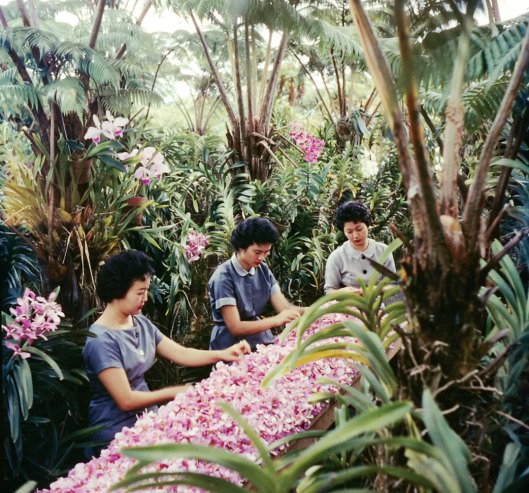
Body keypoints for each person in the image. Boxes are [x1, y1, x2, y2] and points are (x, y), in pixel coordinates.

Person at [83, 250, 250, 453]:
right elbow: (126, 400)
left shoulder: (140, 321)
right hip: (114, 429)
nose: (145, 297)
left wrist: (224, 353)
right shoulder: (100, 340)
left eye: (146, 290)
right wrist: (173, 392)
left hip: (147, 417)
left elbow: (182, 353)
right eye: (139, 292)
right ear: (117, 290)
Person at [208, 217, 305, 351]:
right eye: (257, 252)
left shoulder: (263, 269)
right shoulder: (223, 277)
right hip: (231, 347)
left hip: (260, 342)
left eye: (266, 253)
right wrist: (276, 320)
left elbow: (284, 307)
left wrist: (319, 310)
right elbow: (235, 327)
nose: (262, 258)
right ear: (241, 247)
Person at [324, 201, 396, 294]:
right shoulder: (336, 257)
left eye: (359, 229)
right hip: (348, 306)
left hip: (379, 304)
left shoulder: (383, 251)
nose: (355, 236)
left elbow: (393, 285)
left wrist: (376, 290)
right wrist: (343, 292)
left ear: (367, 225)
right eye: (349, 232)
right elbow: (329, 290)